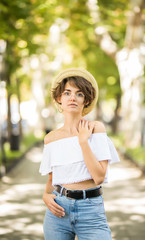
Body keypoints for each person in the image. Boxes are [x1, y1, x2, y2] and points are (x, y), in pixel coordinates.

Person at [39, 68, 120, 240]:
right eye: (67, 93)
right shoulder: (51, 139)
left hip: (90, 210)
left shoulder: (95, 128)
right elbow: (52, 179)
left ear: (86, 101)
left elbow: (98, 176)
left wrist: (83, 141)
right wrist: (46, 196)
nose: (73, 98)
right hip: (58, 211)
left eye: (79, 94)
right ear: (59, 99)